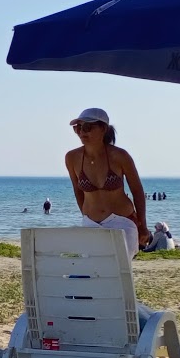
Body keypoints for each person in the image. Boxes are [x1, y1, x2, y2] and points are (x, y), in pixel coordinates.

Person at [64, 108, 148, 256]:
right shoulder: (72, 158)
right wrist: (85, 217)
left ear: (103, 128)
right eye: (78, 128)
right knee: (92, 274)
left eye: (87, 127)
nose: (82, 132)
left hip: (123, 222)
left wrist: (143, 226)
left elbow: (137, 191)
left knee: (119, 273)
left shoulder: (120, 156)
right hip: (91, 224)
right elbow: (78, 191)